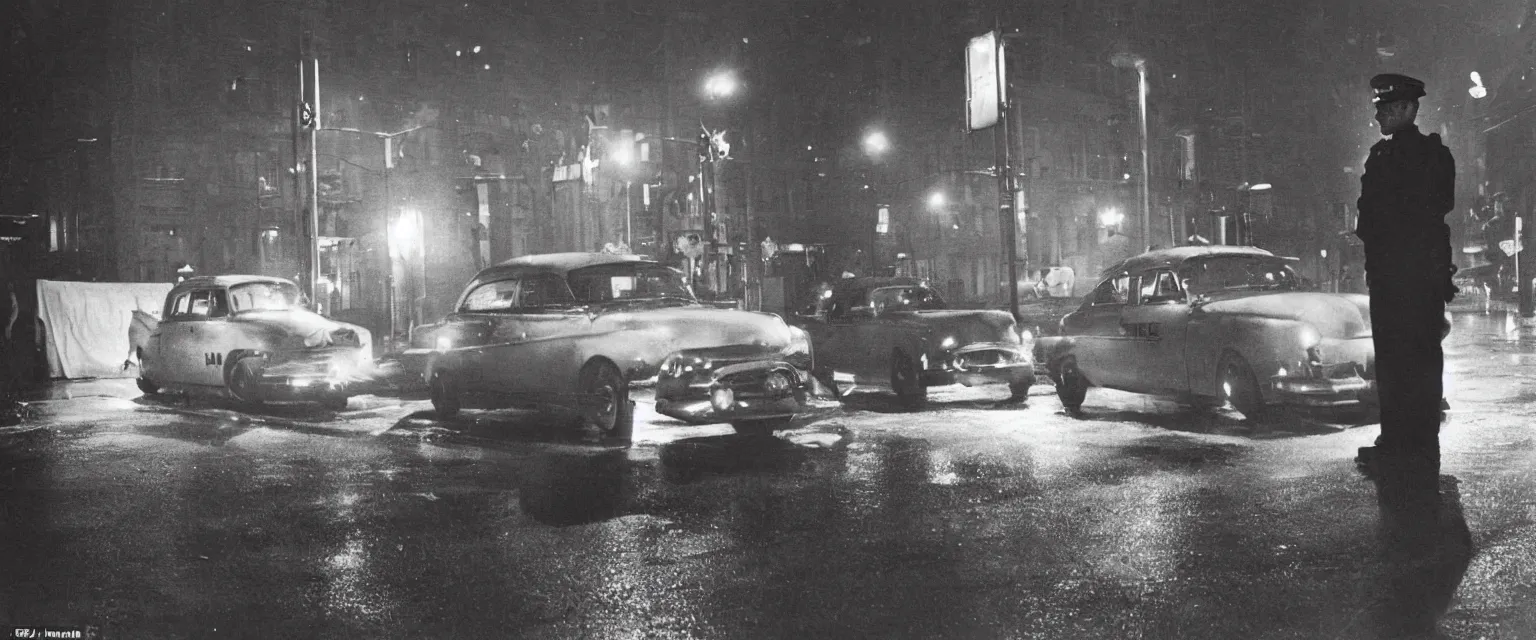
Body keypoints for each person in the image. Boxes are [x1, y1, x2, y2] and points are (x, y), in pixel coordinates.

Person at [1353, 73, 1458, 473]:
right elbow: (1370, 220)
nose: (1378, 114)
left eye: (1386, 107)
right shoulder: (1382, 155)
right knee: (1400, 361)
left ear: (1408, 109)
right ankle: (1399, 442)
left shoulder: (1431, 155)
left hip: (1414, 274)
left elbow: (1431, 209)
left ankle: (1416, 445)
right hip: (1395, 274)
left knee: (1414, 360)